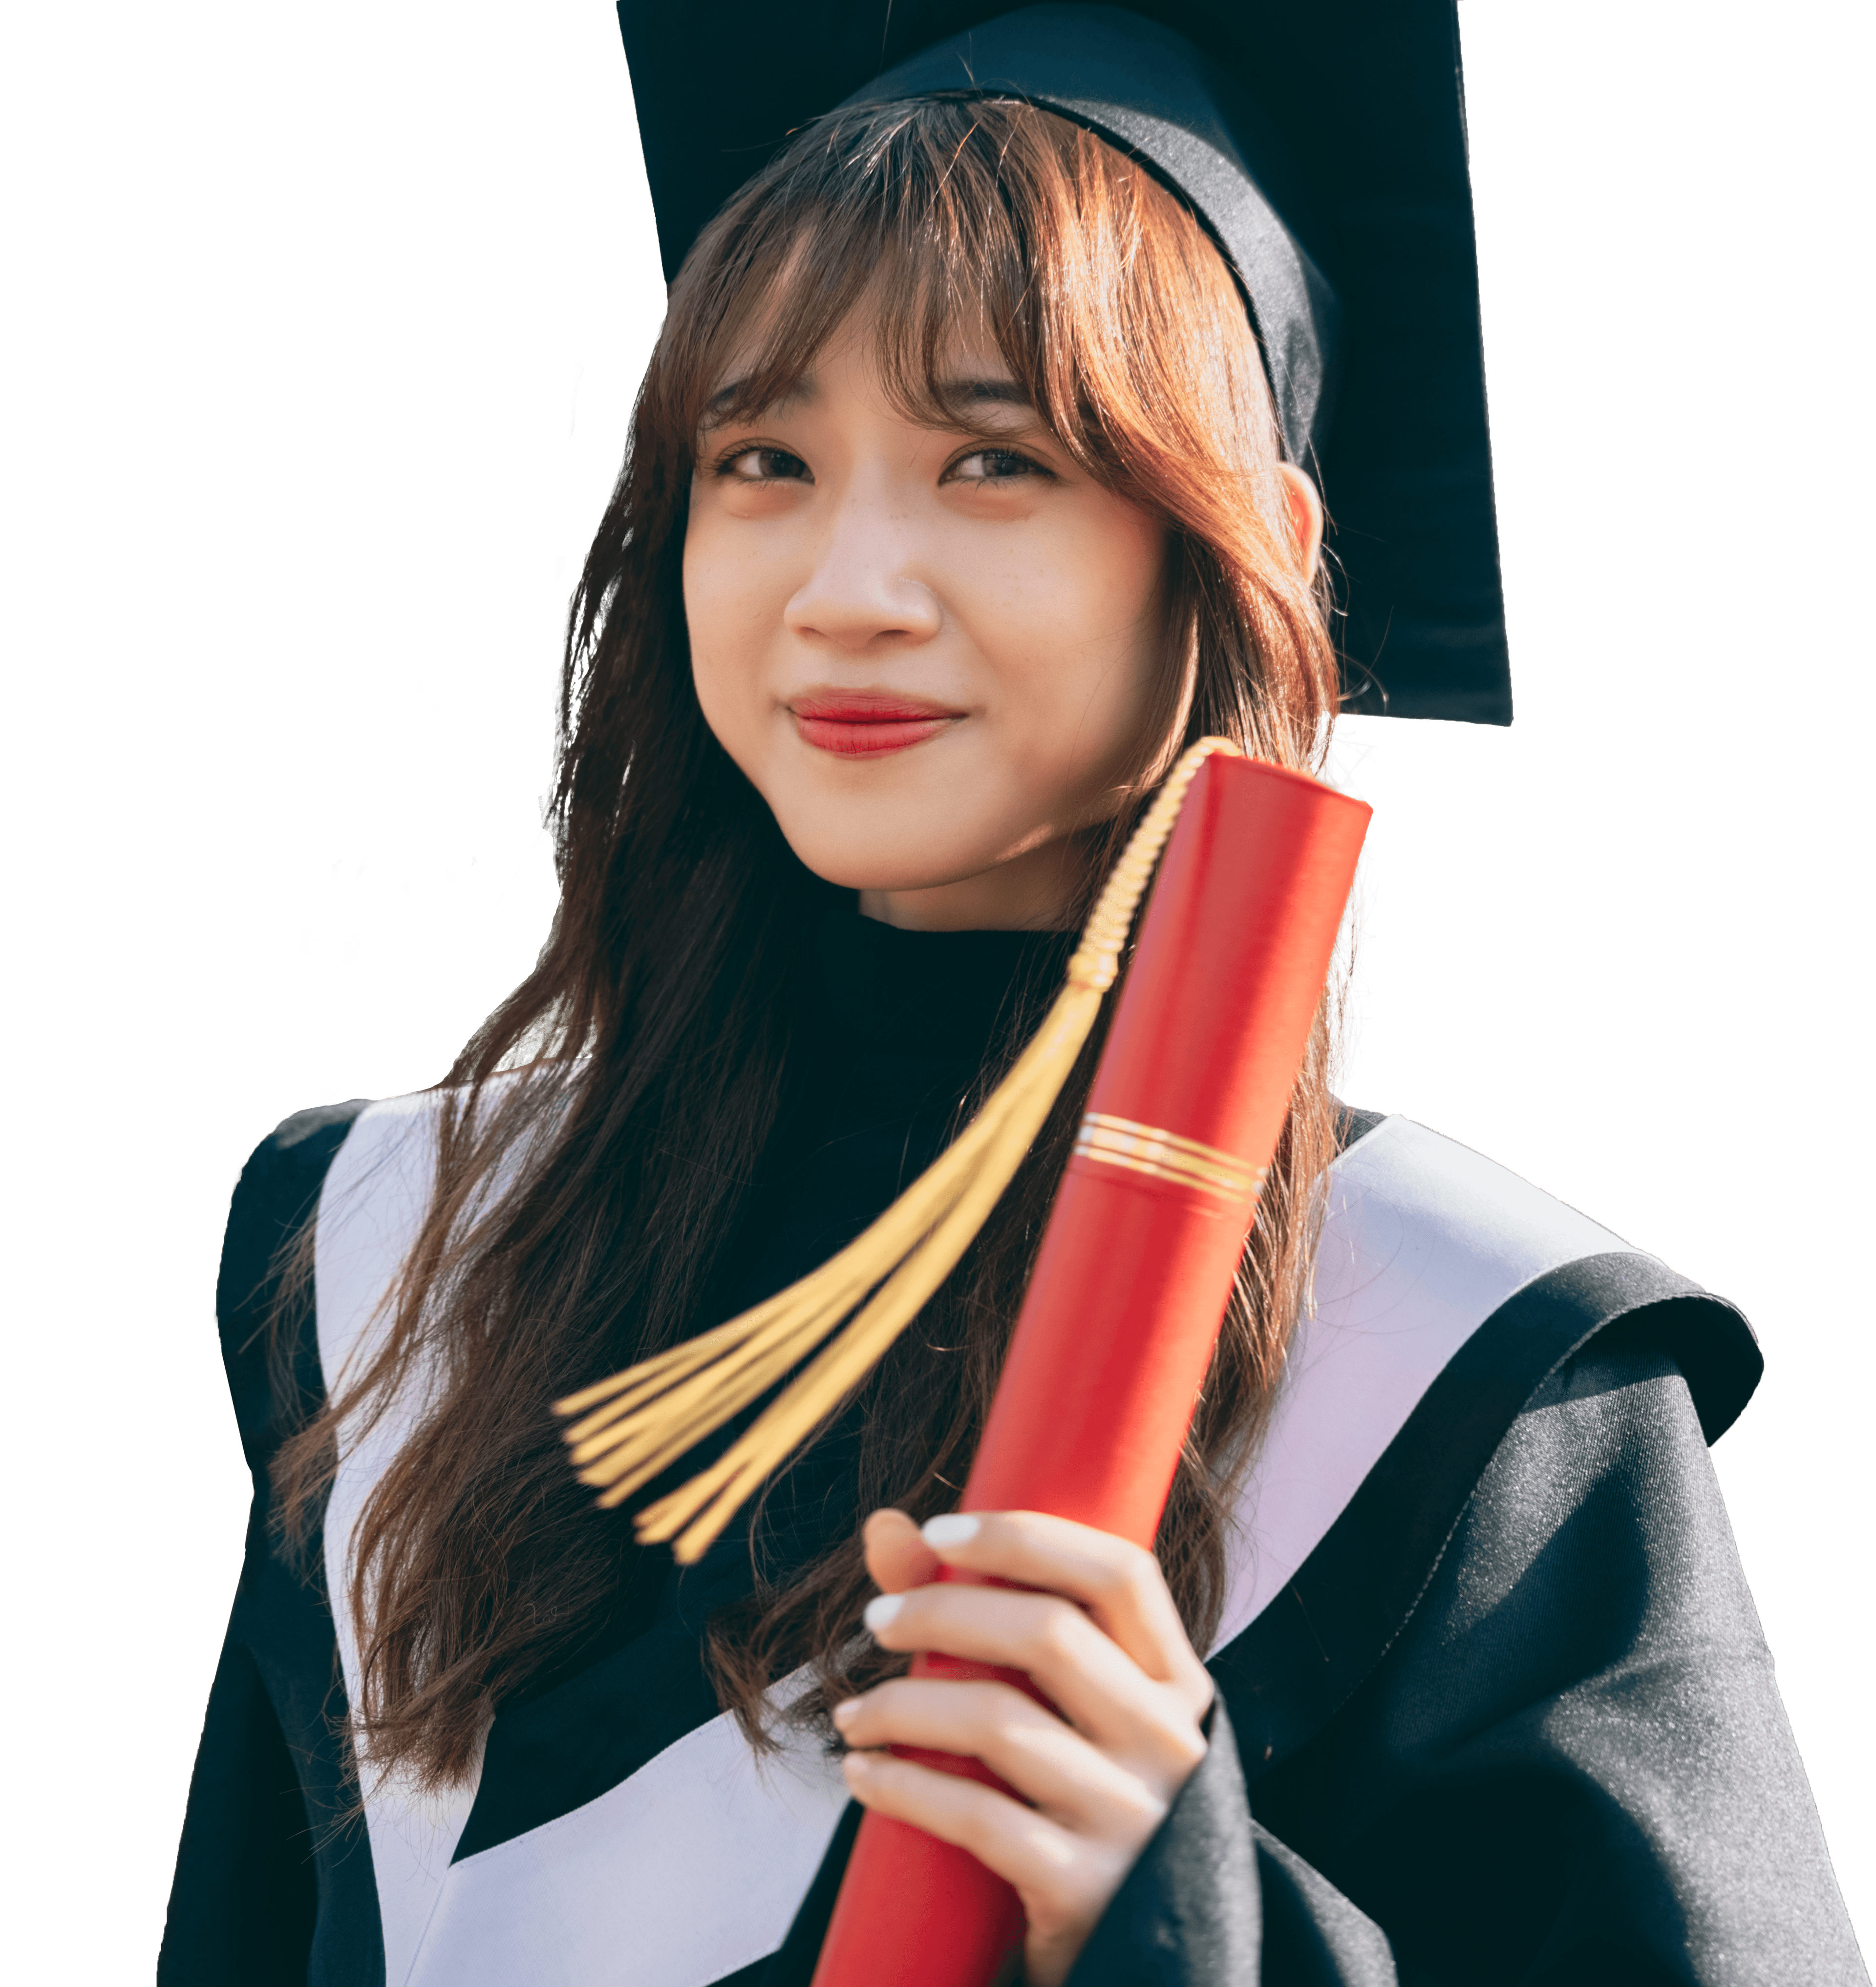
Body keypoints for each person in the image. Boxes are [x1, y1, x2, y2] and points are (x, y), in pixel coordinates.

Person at [160, 6, 1865, 1984]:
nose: (850, 584)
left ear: (1259, 554)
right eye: (765, 459)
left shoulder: (1454, 1363)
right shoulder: (400, 1262)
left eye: (996, 460)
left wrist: (1186, 1909)